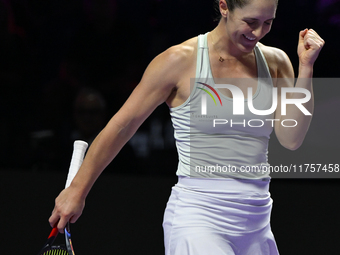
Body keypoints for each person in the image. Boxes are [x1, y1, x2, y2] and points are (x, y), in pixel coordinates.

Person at [49, 0, 324, 254]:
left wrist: (306, 68)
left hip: (258, 225)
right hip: (199, 220)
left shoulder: (276, 62)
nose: (258, 31)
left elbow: (291, 139)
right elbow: (122, 126)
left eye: (268, 22)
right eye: (250, 21)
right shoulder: (179, 61)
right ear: (225, 7)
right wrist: (77, 190)